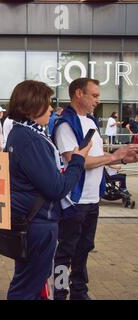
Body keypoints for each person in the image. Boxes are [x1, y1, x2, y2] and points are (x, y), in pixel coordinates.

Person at [52, 78, 138, 300]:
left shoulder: (90, 121)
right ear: (79, 94)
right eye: (95, 96)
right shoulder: (65, 124)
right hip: (73, 201)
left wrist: (123, 158)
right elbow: (76, 162)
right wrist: (113, 156)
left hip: (91, 199)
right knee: (65, 253)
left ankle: (79, 291)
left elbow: (97, 159)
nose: (98, 101)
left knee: (84, 249)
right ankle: (60, 292)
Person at [4, 80, 89, 300]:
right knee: (27, 288)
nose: (52, 109)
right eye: (48, 103)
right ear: (32, 106)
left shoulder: (23, 133)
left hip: (32, 221)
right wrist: (78, 161)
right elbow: (56, 188)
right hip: (37, 225)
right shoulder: (30, 138)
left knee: (30, 283)